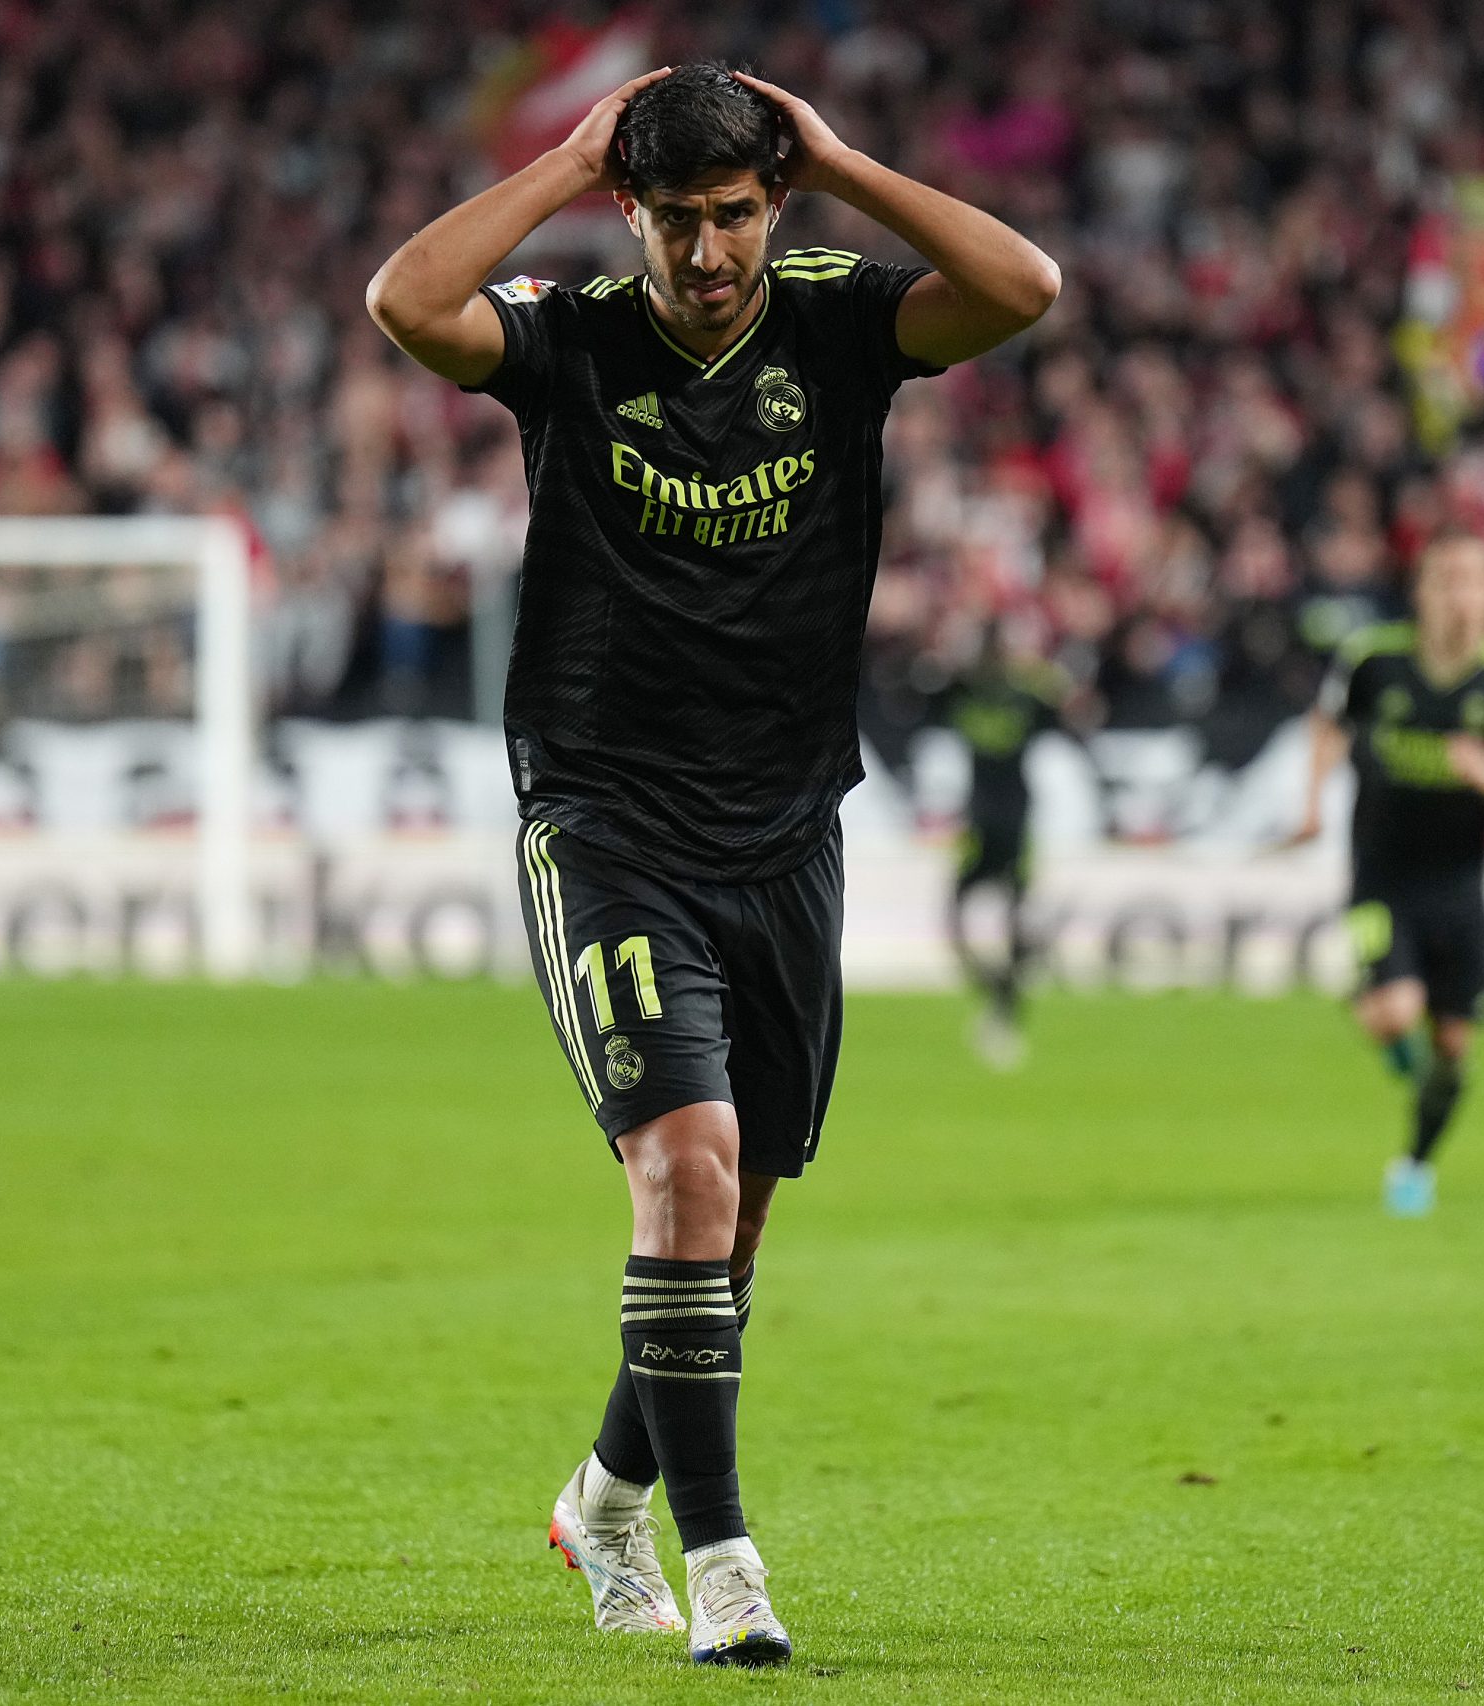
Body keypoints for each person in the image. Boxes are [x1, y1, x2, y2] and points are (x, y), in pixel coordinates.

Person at [365, 63, 1058, 1665]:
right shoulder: (572, 338)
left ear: (773, 206)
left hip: (787, 826)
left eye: (738, 215)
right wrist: (558, 157)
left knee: (730, 1224)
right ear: (634, 214)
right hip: (605, 820)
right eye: (674, 220)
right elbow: (408, 299)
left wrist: (841, 163)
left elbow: (1024, 286)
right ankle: (723, 1558)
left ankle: (605, 1495)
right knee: (681, 1166)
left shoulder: (831, 321)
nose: (708, 253)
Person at [1297, 534, 1484, 1217]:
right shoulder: (1373, 659)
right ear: (1422, 593)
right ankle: (1382, 1020)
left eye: (1473, 582)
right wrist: (1311, 801)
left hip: (1459, 884)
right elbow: (1328, 726)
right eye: (1445, 581)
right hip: (1380, 870)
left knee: (1450, 1047)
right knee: (1394, 1010)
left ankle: (1414, 1164)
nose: (1459, 596)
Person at [938, 624, 1072, 1069]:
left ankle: (1006, 1011)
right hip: (982, 824)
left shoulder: (1022, 696)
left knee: (1013, 919)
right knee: (959, 918)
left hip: (1013, 823)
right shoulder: (967, 692)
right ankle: (999, 995)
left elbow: (1068, 714)